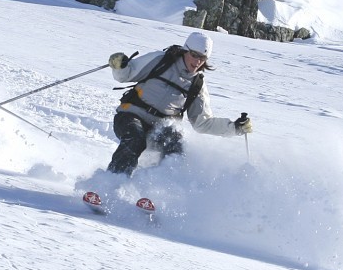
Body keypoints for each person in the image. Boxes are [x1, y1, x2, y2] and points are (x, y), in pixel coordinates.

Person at [105, 31, 252, 175]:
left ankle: (151, 193)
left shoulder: (197, 85)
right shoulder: (160, 60)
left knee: (176, 149)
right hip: (130, 116)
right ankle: (111, 181)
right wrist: (120, 66)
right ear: (185, 51)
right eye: (194, 55)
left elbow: (202, 123)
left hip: (159, 128)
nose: (197, 62)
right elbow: (127, 74)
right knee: (135, 140)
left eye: (202, 58)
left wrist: (235, 128)